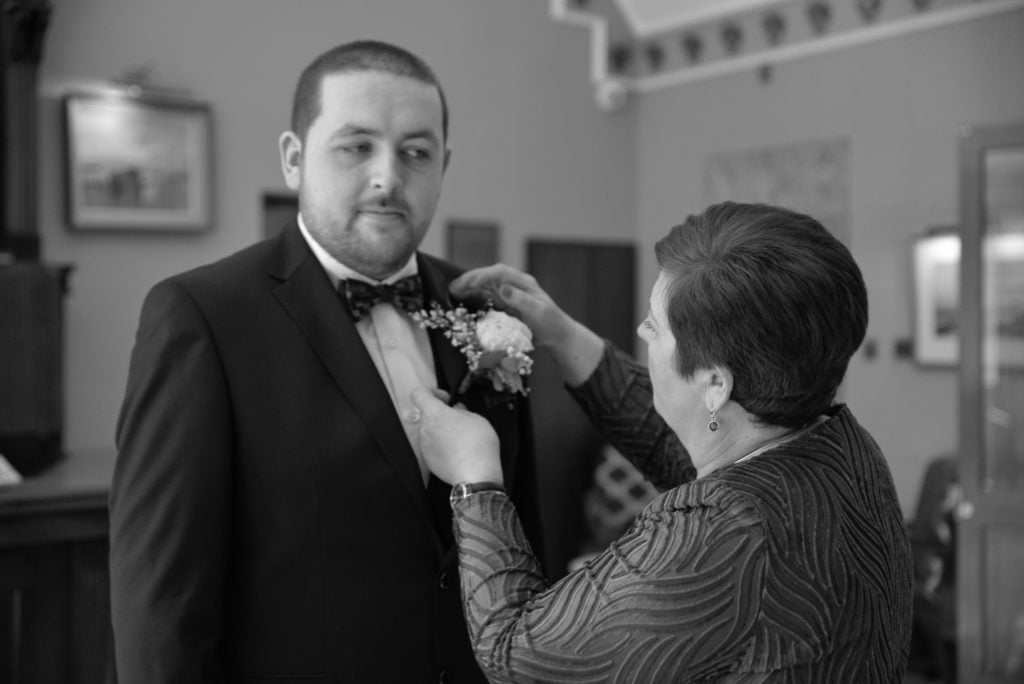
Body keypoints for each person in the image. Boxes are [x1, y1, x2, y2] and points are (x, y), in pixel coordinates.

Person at [110, 40, 543, 683]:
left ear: (443, 166)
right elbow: (162, 601)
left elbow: (522, 528)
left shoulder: (482, 311)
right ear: (294, 159)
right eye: (356, 146)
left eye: (416, 153)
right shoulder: (201, 316)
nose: (388, 177)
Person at [412, 202, 914, 682]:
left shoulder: (724, 535)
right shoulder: (837, 446)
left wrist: (474, 478)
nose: (640, 330)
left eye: (655, 326)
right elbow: (684, 449)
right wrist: (565, 337)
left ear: (715, 384)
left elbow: (516, 654)